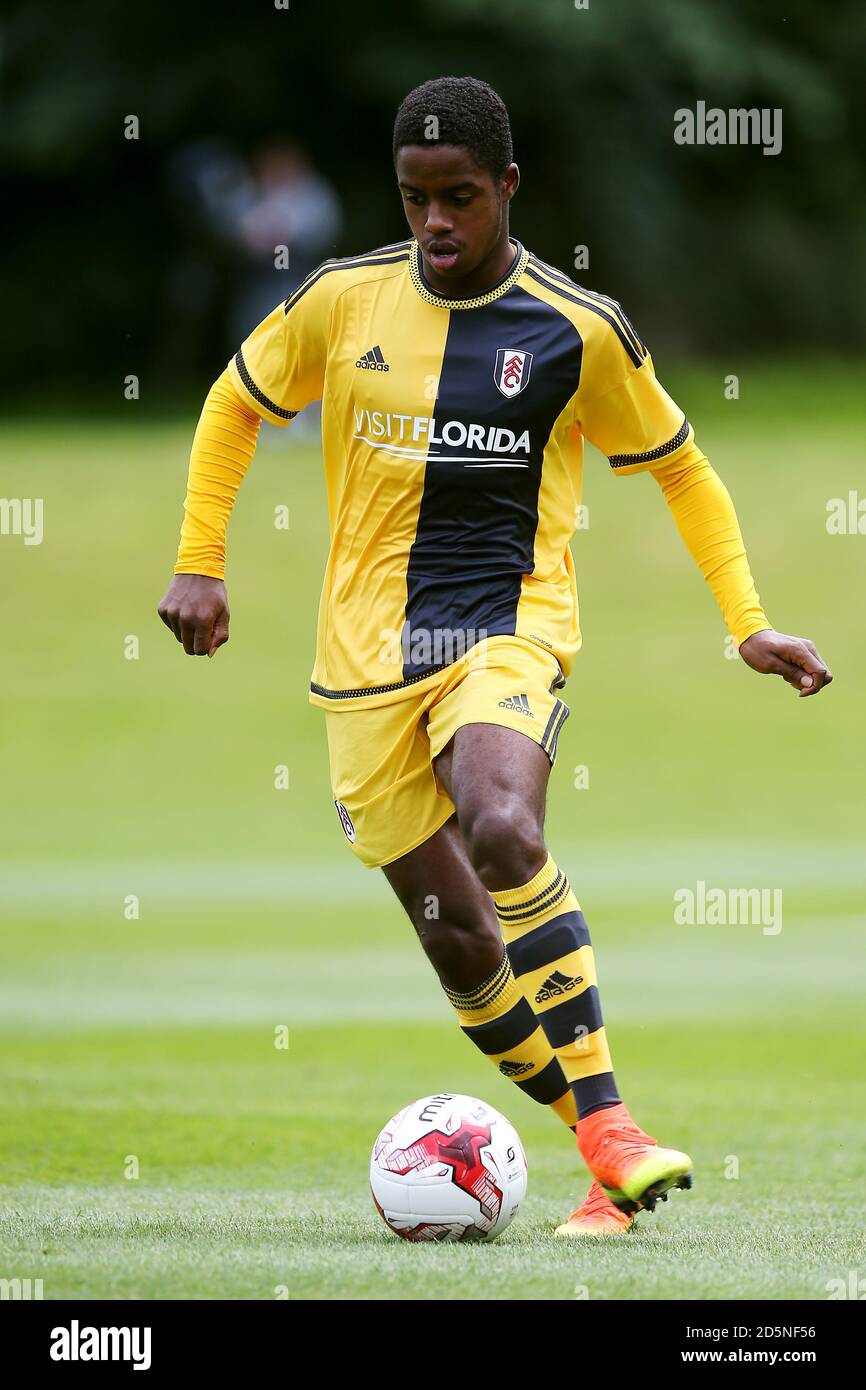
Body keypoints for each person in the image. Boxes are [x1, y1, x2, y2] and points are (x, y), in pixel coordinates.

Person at [158, 77, 832, 1236]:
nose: (435, 222)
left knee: (503, 822)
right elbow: (234, 401)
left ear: (507, 188)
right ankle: (599, 1153)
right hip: (363, 661)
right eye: (416, 197)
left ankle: (613, 1130)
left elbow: (677, 464)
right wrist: (199, 559)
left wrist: (746, 620)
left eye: (460, 197)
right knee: (464, 948)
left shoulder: (575, 329)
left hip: (506, 628)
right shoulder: (338, 301)